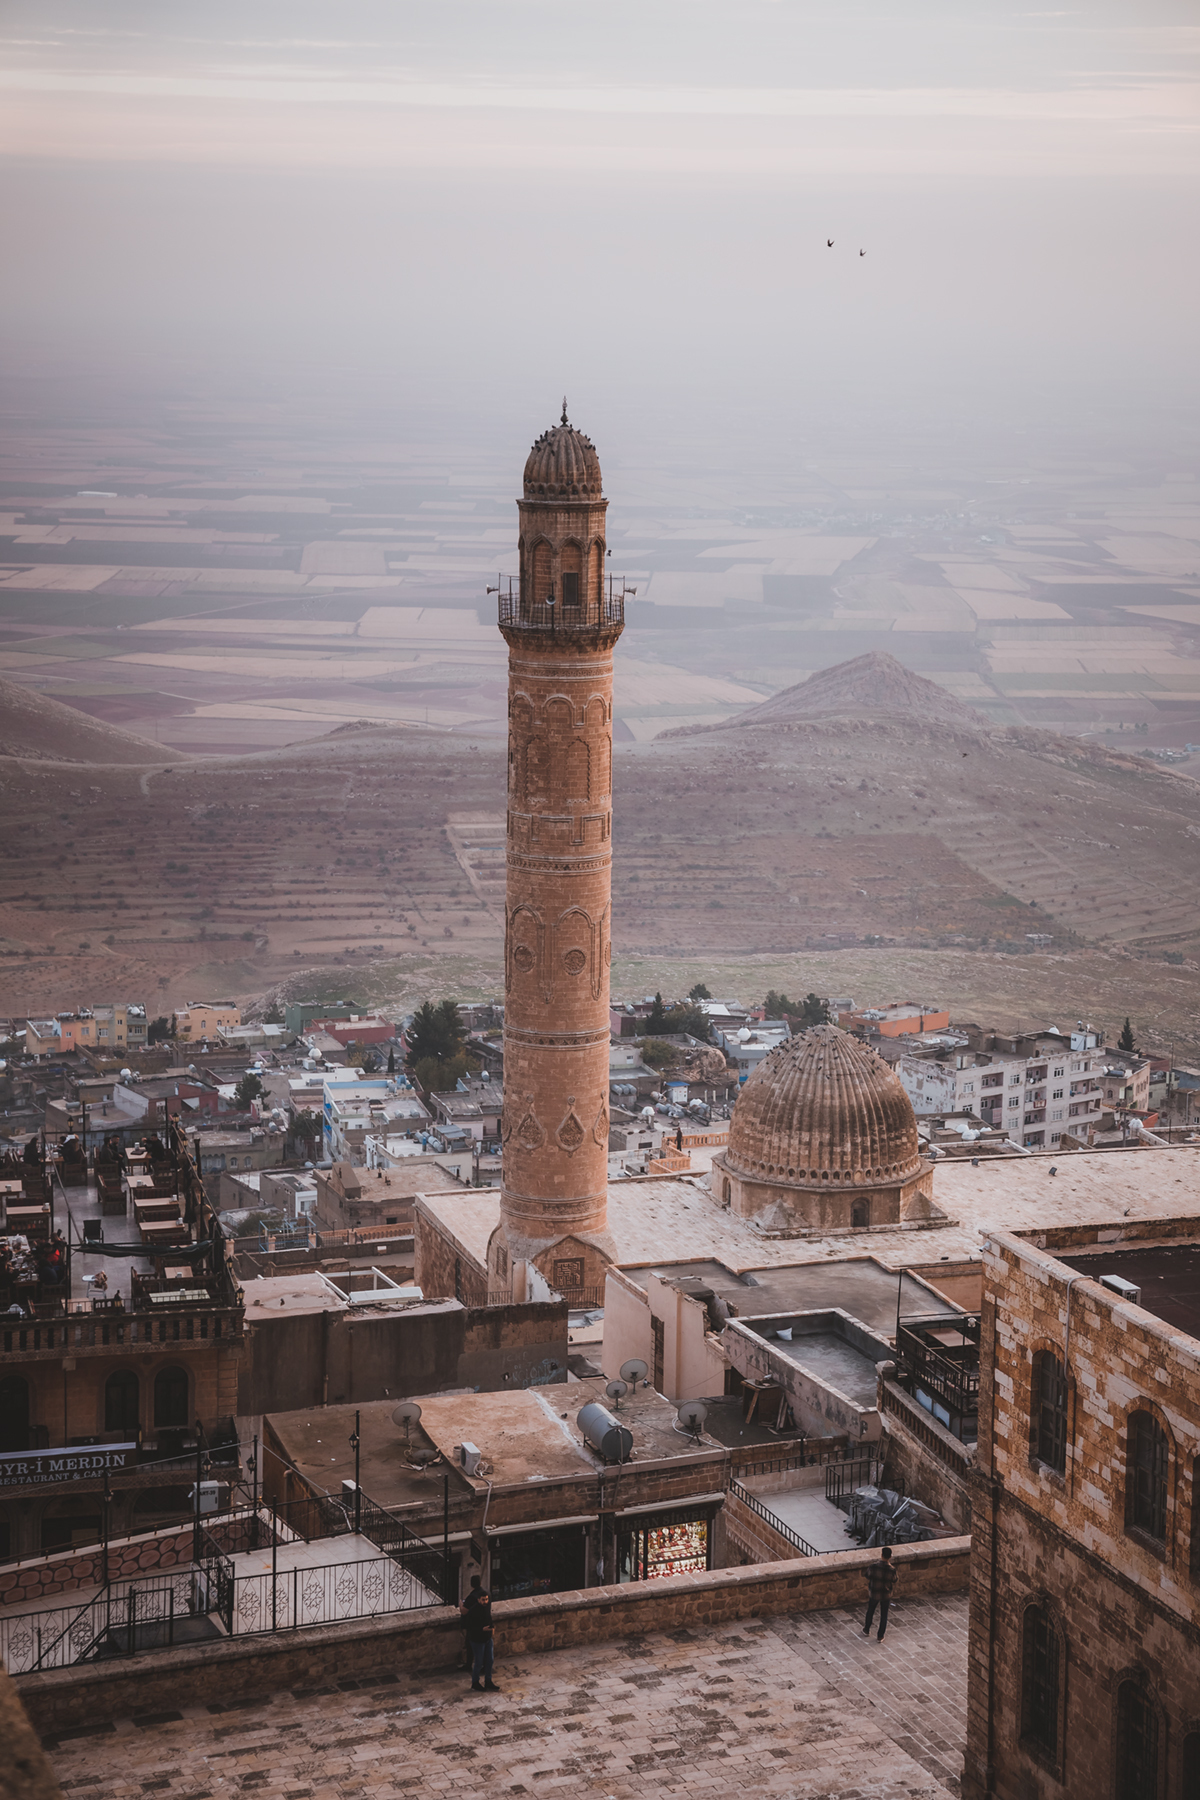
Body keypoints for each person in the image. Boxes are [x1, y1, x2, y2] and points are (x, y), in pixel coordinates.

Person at [461, 1573, 499, 1692]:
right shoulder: (473, 1611)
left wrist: (491, 1630)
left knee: (489, 1660)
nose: (485, 1601)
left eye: (486, 1599)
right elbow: (471, 1626)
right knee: (478, 1662)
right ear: (479, 1600)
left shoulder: (485, 1607)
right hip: (477, 1639)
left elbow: (489, 1618)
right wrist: (482, 1629)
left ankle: (488, 1681)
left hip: (487, 1638)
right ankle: (475, 1682)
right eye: (483, 1600)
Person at [863, 1544, 896, 1641]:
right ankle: (880, 1635)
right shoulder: (892, 1570)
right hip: (886, 1594)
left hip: (874, 1592)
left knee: (871, 1610)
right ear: (890, 1556)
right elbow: (895, 1580)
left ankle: (866, 1629)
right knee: (884, 1614)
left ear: (881, 1555)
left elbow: (867, 1575)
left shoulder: (874, 1567)